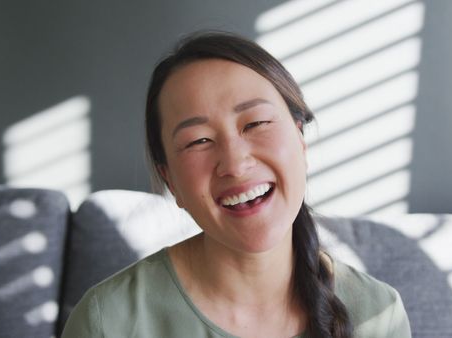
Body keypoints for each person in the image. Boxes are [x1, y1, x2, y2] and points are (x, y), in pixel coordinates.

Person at [62, 31, 411, 338]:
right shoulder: (107, 323)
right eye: (198, 141)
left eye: (256, 122)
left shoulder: (377, 314)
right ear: (170, 180)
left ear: (300, 141)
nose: (235, 163)